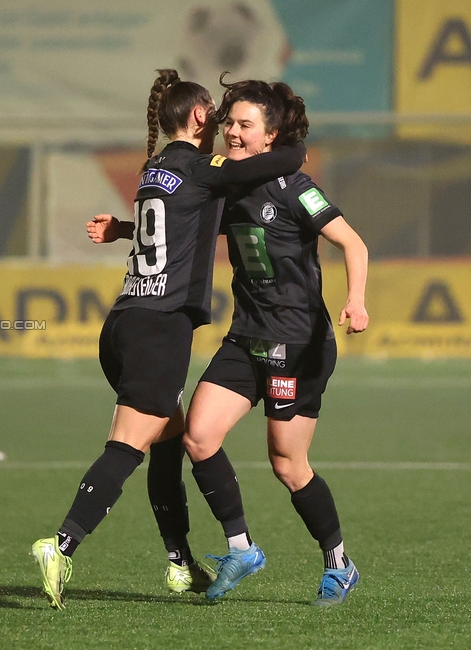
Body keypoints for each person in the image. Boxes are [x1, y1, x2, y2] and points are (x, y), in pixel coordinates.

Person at [30, 69, 306, 610]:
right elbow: (287, 162)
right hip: (160, 327)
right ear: (200, 116)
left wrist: (120, 229)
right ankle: (60, 545)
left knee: (169, 440)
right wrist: (282, 132)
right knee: (128, 445)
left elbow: (177, 225)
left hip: (124, 323)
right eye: (219, 115)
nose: (225, 124)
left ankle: (180, 562)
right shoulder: (205, 169)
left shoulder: (154, 170)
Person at [172, 78, 369, 605]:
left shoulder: (295, 187)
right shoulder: (225, 186)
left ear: (271, 136)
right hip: (245, 338)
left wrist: (356, 300)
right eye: (229, 123)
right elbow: (178, 226)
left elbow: (353, 243)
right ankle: (241, 548)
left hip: (298, 342)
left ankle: (339, 562)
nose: (232, 133)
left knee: (287, 464)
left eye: (244, 125)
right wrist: (126, 228)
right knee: (199, 435)